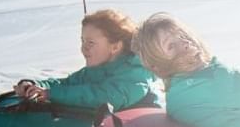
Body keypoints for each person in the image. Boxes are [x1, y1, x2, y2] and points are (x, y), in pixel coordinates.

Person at [12, 8, 159, 111]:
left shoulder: (135, 74)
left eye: (91, 43)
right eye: (82, 41)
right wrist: (34, 86)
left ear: (115, 47)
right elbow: (65, 84)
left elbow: (103, 96)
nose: (84, 48)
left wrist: (51, 94)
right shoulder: (94, 71)